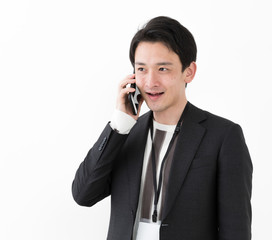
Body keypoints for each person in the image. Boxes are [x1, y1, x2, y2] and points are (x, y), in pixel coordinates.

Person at [72, 16, 252, 240]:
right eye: (142, 69)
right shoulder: (125, 133)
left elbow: (236, 231)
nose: (150, 82)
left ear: (189, 71)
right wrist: (119, 123)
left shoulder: (223, 137)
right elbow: (83, 195)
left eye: (163, 69)